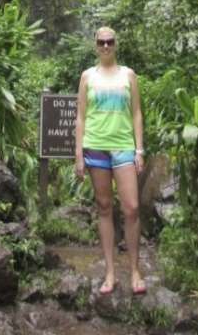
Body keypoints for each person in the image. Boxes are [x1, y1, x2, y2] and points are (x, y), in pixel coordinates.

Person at [75, 26, 146, 295]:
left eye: (110, 42)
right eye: (101, 42)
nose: (105, 46)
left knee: (131, 207)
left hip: (123, 147)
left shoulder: (128, 75)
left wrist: (139, 150)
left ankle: (135, 270)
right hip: (95, 146)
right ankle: (110, 272)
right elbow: (81, 116)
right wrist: (78, 154)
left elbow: (136, 112)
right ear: (95, 46)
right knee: (104, 207)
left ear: (116, 44)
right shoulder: (87, 77)